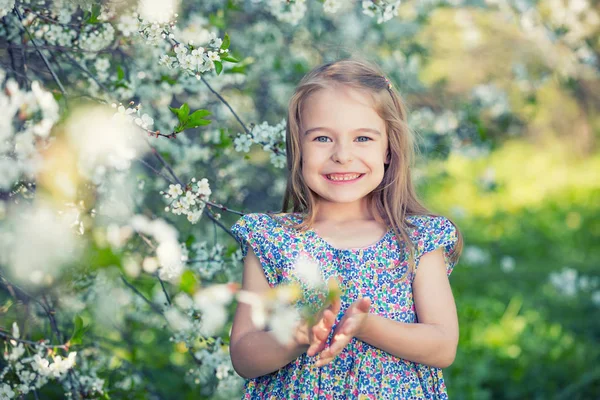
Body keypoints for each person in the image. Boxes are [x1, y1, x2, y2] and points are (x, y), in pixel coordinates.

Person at [229, 58, 464, 399]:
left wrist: (365, 325)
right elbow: (245, 356)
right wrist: (298, 335)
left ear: (389, 147)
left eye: (363, 138)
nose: (342, 155)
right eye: (323, 138)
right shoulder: (271, 239)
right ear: (299, 148)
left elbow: (442, 346)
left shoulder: (416, 239)